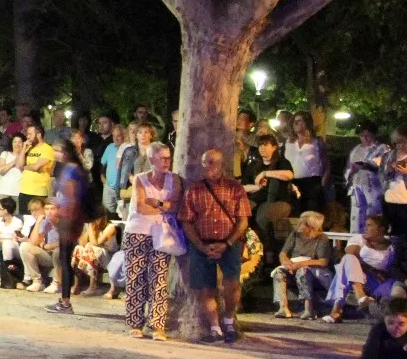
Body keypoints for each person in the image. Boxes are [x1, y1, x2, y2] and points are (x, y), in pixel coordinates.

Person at [181, 148, 254, 343]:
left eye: (212, 162)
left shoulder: (235, 189)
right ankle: (215, 328)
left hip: (229, 244)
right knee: (206, 287)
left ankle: (229, 320)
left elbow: (243, 221)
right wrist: (200, 245)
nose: (207, 167)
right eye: (205, 162)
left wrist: (227, 243)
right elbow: (186, 220)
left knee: (232, 283)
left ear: (222, 165)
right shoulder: (194, 189)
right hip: (202, 244)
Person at [123, 142, 182, 340]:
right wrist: (164, 205)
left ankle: (157, 325)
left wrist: (156, 202)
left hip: (162, 233)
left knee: (159, 278)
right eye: (162, 158)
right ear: (152, 160)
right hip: (138, 231)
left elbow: (176, 205)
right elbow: (141, 208)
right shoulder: (140, 179)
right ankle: (135, 323)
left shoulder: (174, 180)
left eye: (168, 157)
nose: (167, 161)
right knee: (136, 277)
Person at [324, 214, 401, 324]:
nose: (366, 228)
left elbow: (393, 267)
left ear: (381, 228)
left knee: (393, 283)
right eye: (365, 225)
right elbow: (350, 253)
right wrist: (370, 268)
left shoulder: (392, 244)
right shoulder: (359, 239)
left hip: (380, 281)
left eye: (370, 225)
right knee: (349, 259)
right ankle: (359, 296)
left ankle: (337, 310)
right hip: (360, 276)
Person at [45, 141, 91, 313]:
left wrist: (64, 216)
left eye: (57, 150)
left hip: (69, 217)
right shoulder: (74, 169)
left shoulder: (71, 170)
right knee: (65, 258)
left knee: (65, 259)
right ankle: (65, 299)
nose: (54, 153)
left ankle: (65, 302)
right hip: (71, 216)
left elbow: (71, 195)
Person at [270, 211, 335, 319]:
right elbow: (283, 253)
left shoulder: (321, 238)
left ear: (311, 226)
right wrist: (286, 263)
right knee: (279, 273)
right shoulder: (294, 235)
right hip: (292, 267)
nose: (299, 224)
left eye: (302, 223)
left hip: (313, 273)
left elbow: (323, 261)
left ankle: (309, 309)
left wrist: (300, 264)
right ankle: (283, 307)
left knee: (303, 271)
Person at [345, 294, 407, 359]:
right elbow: (369, 352)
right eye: (391, 323)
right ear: (385, 321)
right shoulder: (378, 329)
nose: (396, 327)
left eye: (401, 324)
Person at [346, 124, 391, 234]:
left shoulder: (382, 148)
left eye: (368, 135)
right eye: (362, 136)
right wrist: (350, 173)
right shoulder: (356, 149)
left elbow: (382, 165)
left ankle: (374, 236)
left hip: (373, 186)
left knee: (373, 213)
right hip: (357, 184)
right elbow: (349, 167)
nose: (365, 139)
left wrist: (365, 165)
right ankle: (356, 239)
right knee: (357, 213)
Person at [19, 123, 54, 209]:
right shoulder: (29, 148)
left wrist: (24, 167)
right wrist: (23, 149)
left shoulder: (47, 149)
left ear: (39, 134)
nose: (27, 136)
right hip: (24, 190)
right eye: (27, 134)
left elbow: (36, 167)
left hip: (39, 192)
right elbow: (19, 165)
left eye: (30, 134)